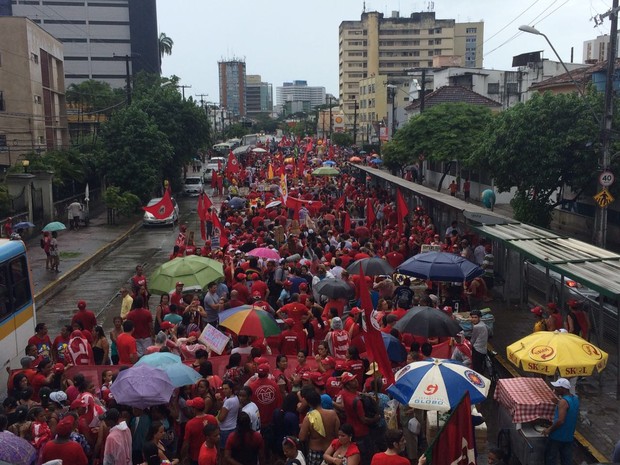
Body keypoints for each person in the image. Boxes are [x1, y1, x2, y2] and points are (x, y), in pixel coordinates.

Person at [299, 387, 340, 465]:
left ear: (309, 403)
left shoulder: (308, 418)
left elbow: (302, 437)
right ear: (320, 400)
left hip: (315, 452)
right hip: (330, 450)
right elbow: (337, 434)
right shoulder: (332, 414)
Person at [543, 378, 580, 465]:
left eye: (557, 387)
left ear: (563, 389)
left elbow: (560, 421)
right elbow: (569, 410)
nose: (555, 389)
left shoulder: (563, 402)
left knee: (550, 458)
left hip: (557, 436)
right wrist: (558, 403)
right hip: (568, 436)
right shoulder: (575, 399)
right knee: (566, 460)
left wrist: (549, 429)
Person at [218, 379, 240, 449]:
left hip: (226, 430)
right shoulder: (234, 398)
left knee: (224, 451)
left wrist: (220, 408)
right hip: (233, 427)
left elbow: (221, 418)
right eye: (223, 388)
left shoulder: (229, 401)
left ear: (231, 389)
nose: (224, 390)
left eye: (226, 388)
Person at [469, 310, 488, 374]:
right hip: (483, 348)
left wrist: (469, 346)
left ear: (479, 318)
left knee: (476, 367)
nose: (473, 319)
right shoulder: (483, 324)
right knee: (480, 366)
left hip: (477, 350)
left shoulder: (477, 326)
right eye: (472, 317)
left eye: (475, 317)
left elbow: (473, 339)